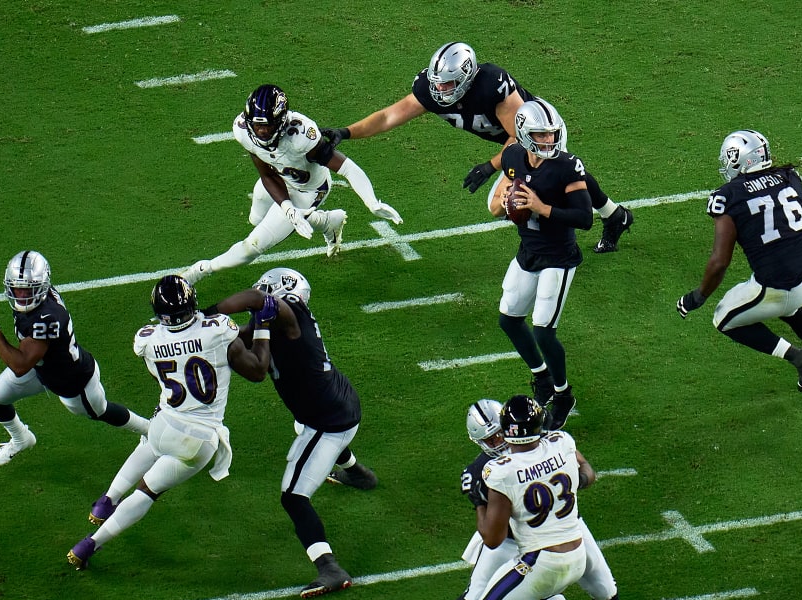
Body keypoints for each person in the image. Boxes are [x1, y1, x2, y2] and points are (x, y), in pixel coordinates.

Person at [415, 399, 651, 600]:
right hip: (512, 539)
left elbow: (584, 468)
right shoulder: (485, 470)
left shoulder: (548, 443)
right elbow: (493, 535)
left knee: (604, 586)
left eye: (499, 433)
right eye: (490, 438)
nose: (498, 441)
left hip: (560, 530)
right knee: (475, 595)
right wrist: (479, 500)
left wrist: (579, 479)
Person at [323, 42, 634, 253]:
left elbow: (518, 139)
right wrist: (346, 132)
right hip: (517, 141)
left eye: (447, 84)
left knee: (503, 203)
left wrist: (490, 166)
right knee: (566, 174)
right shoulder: (431, 91)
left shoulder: (491, 86)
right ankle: (614, 215)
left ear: (466, 78)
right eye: (437, 83)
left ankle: (553, 248)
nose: (439, 90)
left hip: (539, 135)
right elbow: (389, 116)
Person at [67, 275, 272, 569]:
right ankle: (89, 544)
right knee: (148, 491)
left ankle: (106, 500)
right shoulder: (218, 331)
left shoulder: (147, 338)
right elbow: (257, 370)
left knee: (149, 446)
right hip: (199, 437)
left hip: (164, 422)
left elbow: (165, 369)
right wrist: (263, 327)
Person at [208, 268, 377, 598]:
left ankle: (328, 566)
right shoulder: (273, 321)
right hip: (339, 402)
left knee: (293, 497)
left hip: (328, 421)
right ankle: (358, 474)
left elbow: (258, 301)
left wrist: (209, 313)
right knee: (304, 427)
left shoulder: (289, 311)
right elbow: (240, 336)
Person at [429, 396, 598, 600]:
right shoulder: (562, 442)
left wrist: (479, 501)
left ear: (505, 432)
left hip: (540, 561)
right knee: (551, 593)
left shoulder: (500, 470)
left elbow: (492, 538)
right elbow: (588, 475)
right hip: (576, 553)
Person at [676, 130, 802, 393]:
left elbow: (720, 261)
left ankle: (800, 358)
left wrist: (697, 297)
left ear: (740, 159)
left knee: (724, 318)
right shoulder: (787, 176)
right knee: (788, 306)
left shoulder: (728, 196)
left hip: (780, 286)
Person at [182, 84, 401, 285]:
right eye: (257, 126)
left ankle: (199, 271)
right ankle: (325, 222)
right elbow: (267, 174)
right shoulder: (243, 131)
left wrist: (372, 202)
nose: (262, 132)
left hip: (309, 189)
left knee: (253, 246)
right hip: (279, 179)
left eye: (267, 126)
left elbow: (347, 168)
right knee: (255, 219)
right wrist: (288, 209)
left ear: (281, 121)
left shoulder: (302, 136)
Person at [0, 250, 150, 467]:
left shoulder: (48, 317)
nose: (21, 296)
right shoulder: (38, 302)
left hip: (72, 380)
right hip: (42, 369)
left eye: (28, 290)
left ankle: (150, 430)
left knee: (101, 411)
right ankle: (21, 439)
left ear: (42, 286)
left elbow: (19, 365)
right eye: (17, 289)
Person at [485, 99, 590, 431]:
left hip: (559, 256)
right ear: (523, 135)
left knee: (544, 331)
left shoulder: (567, 166)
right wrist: (506, 203)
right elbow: (498, 203)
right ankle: (541, 378)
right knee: (509, 320)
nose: (548, 141)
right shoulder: (514, 155)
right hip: (529, 250)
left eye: (551, 134)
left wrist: (543, 208)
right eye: (541, 136)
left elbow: (585, 218)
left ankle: (562, 395)